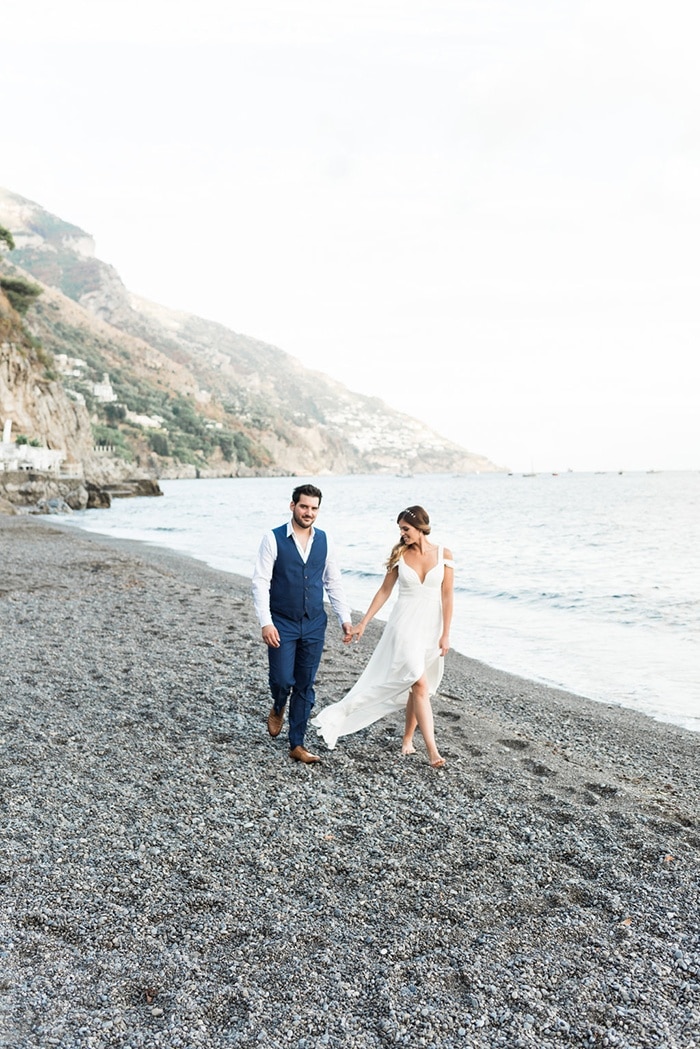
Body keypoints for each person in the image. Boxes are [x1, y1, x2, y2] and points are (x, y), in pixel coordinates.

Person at [311, 505, 453, 768]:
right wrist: (363, 622)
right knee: (419, 683)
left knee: (416, 685)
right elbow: (384, 591)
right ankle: (433, 751)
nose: (402, 534)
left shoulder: (444, 554)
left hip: (431, 628)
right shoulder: (400, 554)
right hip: (403, 627)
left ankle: (407, 739)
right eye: (400, 529)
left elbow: (447, 596)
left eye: (406, 528)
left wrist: (446, 634)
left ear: (420, 527)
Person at [252, 483, 353, 764]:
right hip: (281, 622)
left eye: (314, 508)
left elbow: (333, 582)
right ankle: (278, 704)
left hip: (313, 623)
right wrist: (266, 622)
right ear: (292, 506)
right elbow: (260, 582)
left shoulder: (325, 541)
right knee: (283, 680)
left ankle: (297, 743)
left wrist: (344, 618)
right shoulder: (272, 539)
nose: (308, 512)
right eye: (304, 506)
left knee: (305, 684)